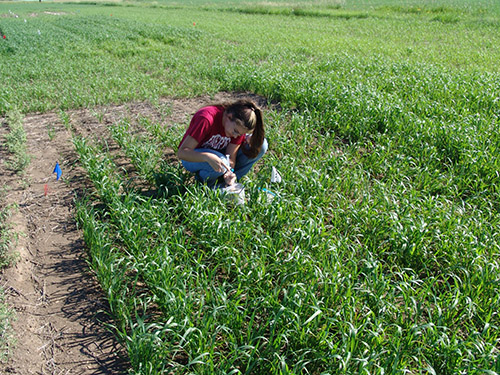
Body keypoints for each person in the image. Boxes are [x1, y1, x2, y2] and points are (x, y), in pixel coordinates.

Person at [177, 99, 268, 187]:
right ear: (229, 116)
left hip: (220, 157)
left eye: (240, 134)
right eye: (235, 131)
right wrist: (207, 157)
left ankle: (229, 183)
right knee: (222, 163)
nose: (236, 136)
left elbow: (231, 159)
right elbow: (182, 153)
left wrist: (230, 172)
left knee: (261, 145)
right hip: (193, 158)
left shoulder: (238, 127)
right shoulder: (206, 118)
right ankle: (206, 184)